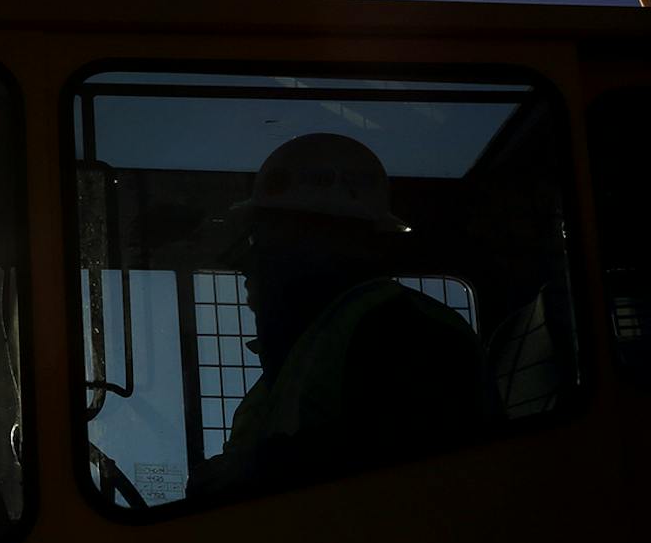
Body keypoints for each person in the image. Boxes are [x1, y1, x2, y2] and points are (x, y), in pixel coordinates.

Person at [187, 133, 491, 499]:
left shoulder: (409, 335)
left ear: (316, 237)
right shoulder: (313, 348)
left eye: (263, 237)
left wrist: (256, 472)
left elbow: (413, 472)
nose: (246, 264)